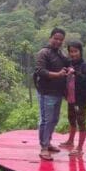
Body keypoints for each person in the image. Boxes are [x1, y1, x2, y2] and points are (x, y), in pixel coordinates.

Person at [34, 28, 70, 160]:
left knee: (54, 120)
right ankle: (43, 148)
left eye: (61, 39)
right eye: (56, 38)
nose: (58, 41)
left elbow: (68, 63)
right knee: (45, 120)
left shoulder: (60, 54)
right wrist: (58, 74)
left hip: (57, 93)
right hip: (46, 93)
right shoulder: (44, 53)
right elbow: (40, 71)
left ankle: (48, 143)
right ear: (50, 38)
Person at [60, 40, 86, 156]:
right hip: (71, 98)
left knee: (81, 122)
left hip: (81, 100)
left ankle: (79, 148)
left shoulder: (85, 66)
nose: (73, 54)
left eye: (75, 51)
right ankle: (70, 141)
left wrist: (75, 73)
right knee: (71, 119)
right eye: (71, 52)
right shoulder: (69, 64)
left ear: (80, 51)